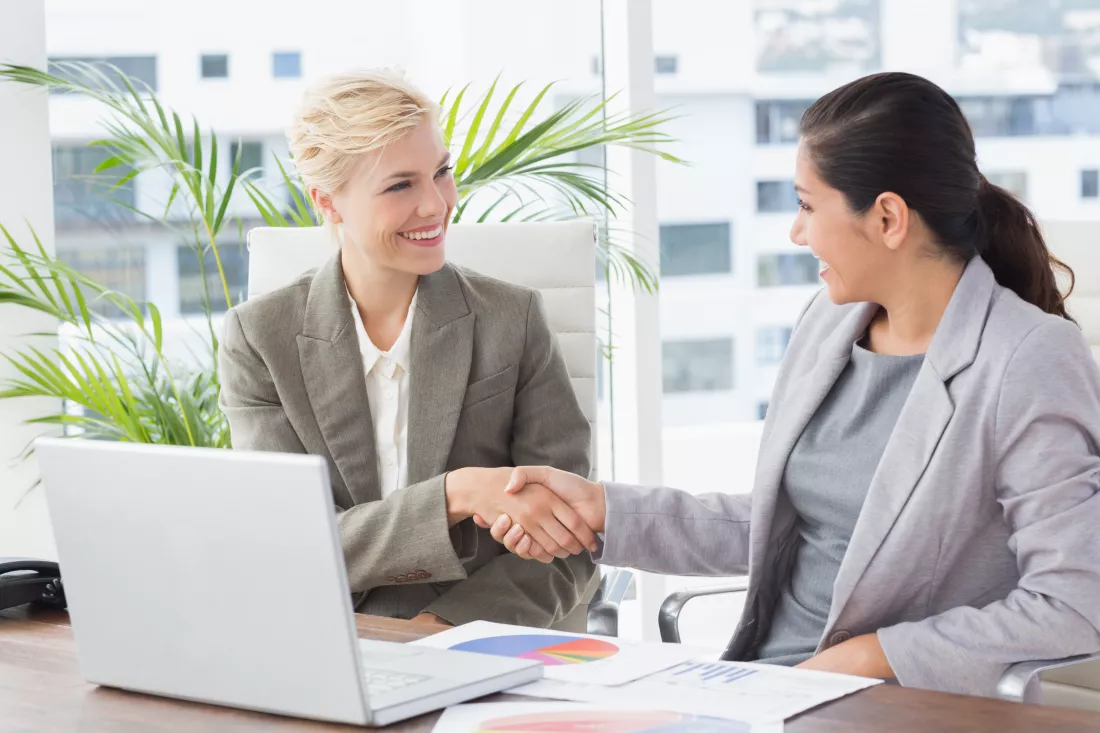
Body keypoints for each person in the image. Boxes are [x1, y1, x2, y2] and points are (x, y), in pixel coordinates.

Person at [477, 71, 1100, 696]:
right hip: (762, 684)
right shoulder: (828, 321)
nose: (796, 233)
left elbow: (1075, 604)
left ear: (887, 217)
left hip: (881, 702)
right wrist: (605, 510)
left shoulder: (1027, 358)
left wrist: (870, 657)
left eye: (806, 205)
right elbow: (784, 526)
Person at [218, 69, 600, 631]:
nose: (435, 204)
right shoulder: (261, 338)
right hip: (324, 639)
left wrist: (441, 630)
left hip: (473, 640)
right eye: (401, 185)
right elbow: (287, 540)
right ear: (328, 200)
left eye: (441, 172)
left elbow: (569, 536)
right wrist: (457, 493)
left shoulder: (510, 320)